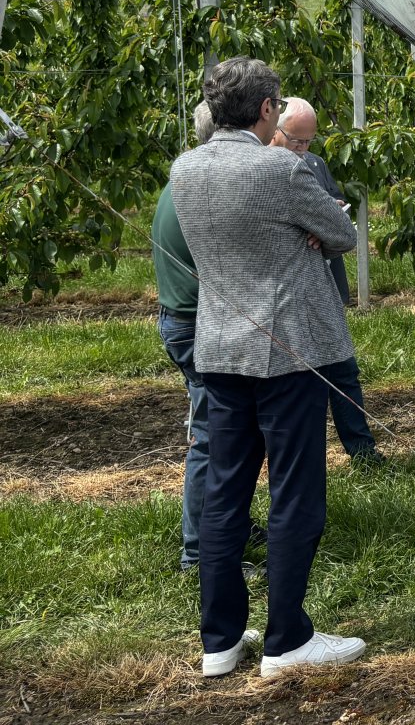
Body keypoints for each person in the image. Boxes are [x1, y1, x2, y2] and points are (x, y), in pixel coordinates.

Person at [168, 57, 364, 680]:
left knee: (224, 494)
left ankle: (220, 642)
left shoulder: (186, 167)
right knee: (294, 492)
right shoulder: (282, 166)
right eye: (278, 105)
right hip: (290, 351)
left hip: (220, 349)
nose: (279, 112)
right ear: (264, 110)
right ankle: (287, 640)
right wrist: (311, 230)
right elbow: (340, 231)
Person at [270, 97, 383, 466]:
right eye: (295, 140)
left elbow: (333, 204)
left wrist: (329, 219)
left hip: (325, 278)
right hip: (291, 289)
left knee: (344, 368)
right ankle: (307, 457)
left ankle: (362, 450)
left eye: (308, 142)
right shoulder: (266, 168)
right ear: (275, 129)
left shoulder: (313, 164)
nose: (303, 149)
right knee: (306, 375)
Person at [151, 100, 218, 573]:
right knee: (210, 438)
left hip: (182, 321)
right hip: (197, 327)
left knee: (222, 434)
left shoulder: (182, 179)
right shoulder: (206, 188)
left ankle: (222, 527)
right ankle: (196, 553)